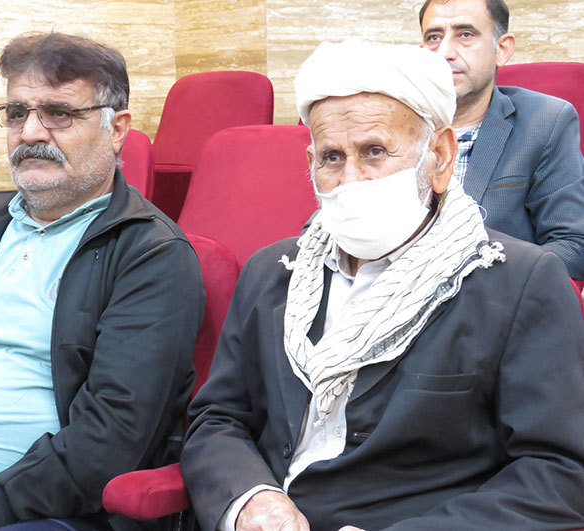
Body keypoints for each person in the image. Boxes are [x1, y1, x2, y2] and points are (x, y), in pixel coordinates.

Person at [180, 40, 584, 531]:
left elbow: (558, 473)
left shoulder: (518, 283)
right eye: (331, 157)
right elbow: (219, 418)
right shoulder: (272, 272)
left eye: (374, 151)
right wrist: (250, 500)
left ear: (439, 156)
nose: (351, 179)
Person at [0, 32, 204, 531]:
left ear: (116, 129)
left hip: (47, 513)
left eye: (59, 113)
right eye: (16, 113)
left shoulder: (151, 253)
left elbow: (115, 432)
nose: (30, 133)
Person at [419, 0, 584, 279]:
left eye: (465, 34)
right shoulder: (392, 126)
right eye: (434, 37)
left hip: (493, 298)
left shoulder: (545, 122)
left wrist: (472, 282)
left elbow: (573, 247)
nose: (445, 52)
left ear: (502, 49)